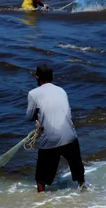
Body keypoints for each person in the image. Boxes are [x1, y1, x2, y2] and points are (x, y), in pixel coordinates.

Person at [26, 64, 86, 192]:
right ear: (53, 77)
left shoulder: (33, 94)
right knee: (77, 165)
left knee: (41, 177)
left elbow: (29, 116)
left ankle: (40, 199)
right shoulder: (62, 90)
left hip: (50, 139)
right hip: (70, 137)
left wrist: (38, 119)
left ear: (37, 78)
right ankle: (82, 186)